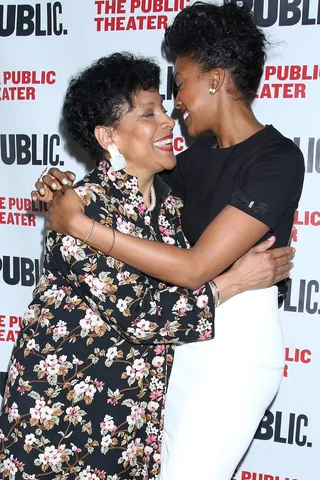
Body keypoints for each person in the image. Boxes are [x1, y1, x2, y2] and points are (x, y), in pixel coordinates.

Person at [34, 3, 305, 479]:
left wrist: (82, 226)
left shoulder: (276, 159)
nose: (175, 106)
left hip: (234, 343)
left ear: (215, 79)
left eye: (179, 85)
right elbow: (132, 203)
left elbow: (194, 266)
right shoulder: (188, 159)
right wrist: (67, 192)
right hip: (174, 337)